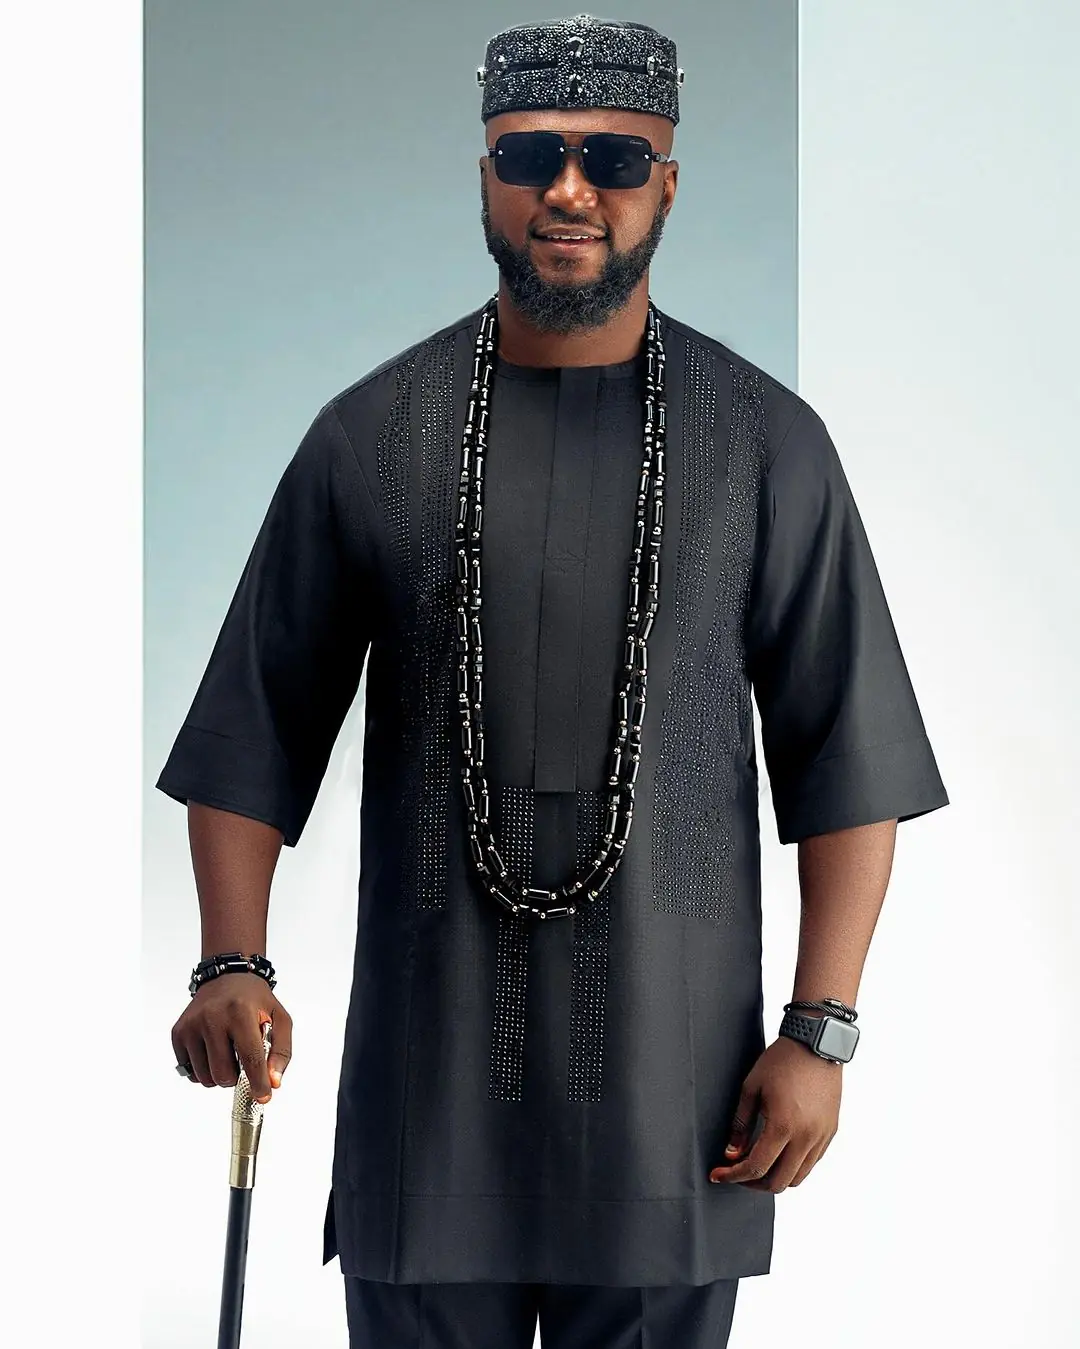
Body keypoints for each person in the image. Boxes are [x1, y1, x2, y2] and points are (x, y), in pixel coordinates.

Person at [157, 14, 949, 1348]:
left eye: (613, 159)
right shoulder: (372, 433)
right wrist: (229, 960)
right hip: (427, 1100)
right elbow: (253, 725)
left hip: (676, 1109)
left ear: (668, 184)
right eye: (531, 155)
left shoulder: (766, 444)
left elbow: (846, 755)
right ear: (485, 176)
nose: (569, 190)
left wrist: (820, 1032)